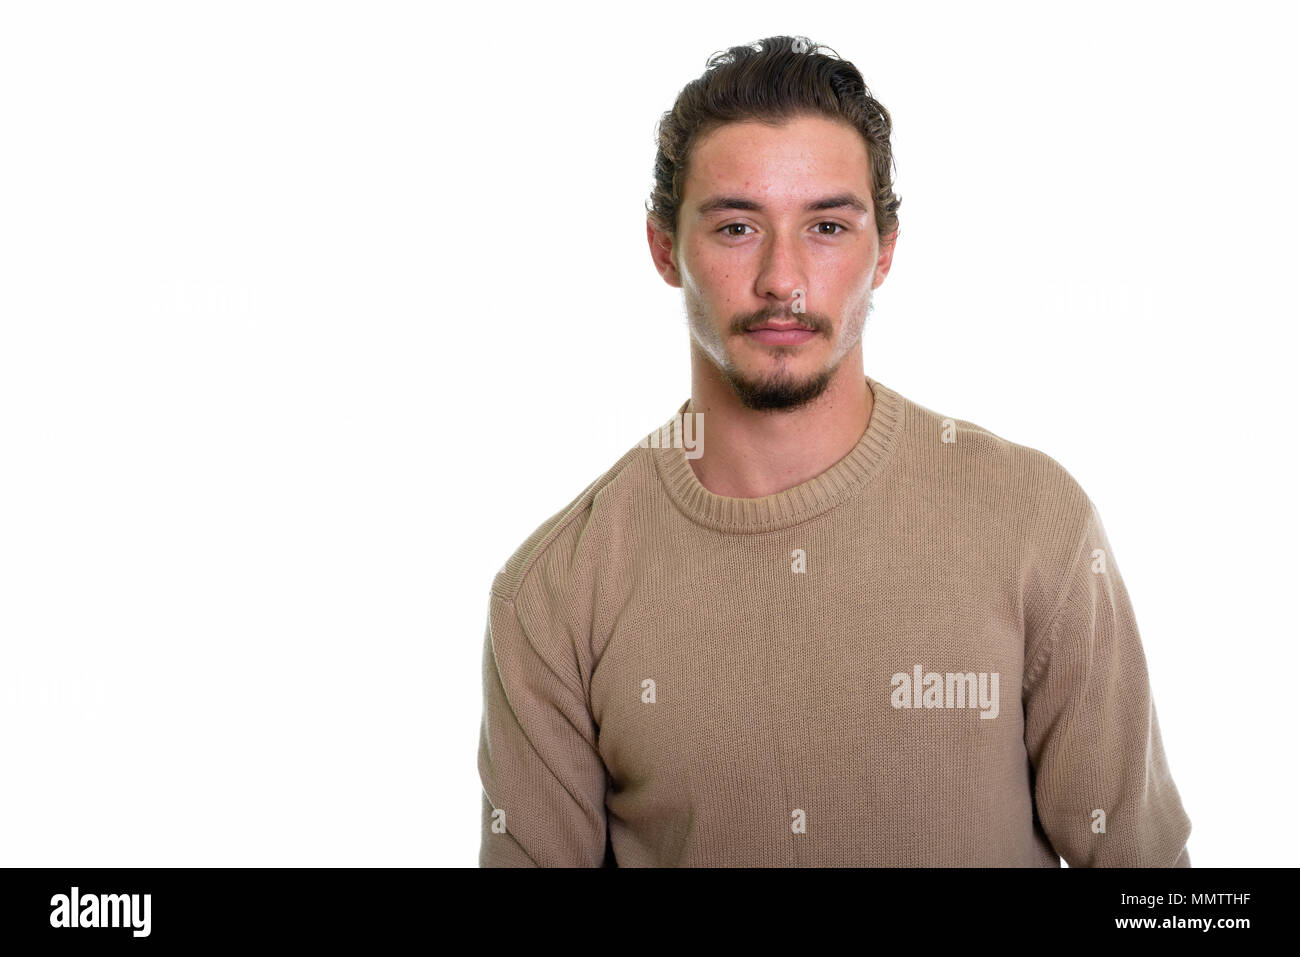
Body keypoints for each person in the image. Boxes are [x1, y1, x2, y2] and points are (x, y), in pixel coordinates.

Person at [476, 34, 1192, 867]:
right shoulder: (553, 591)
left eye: (826, 225)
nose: (784, 277)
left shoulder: (1035, 521)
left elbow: (1156, 891)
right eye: (737, 226)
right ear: (664, 249)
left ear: (883, 249)